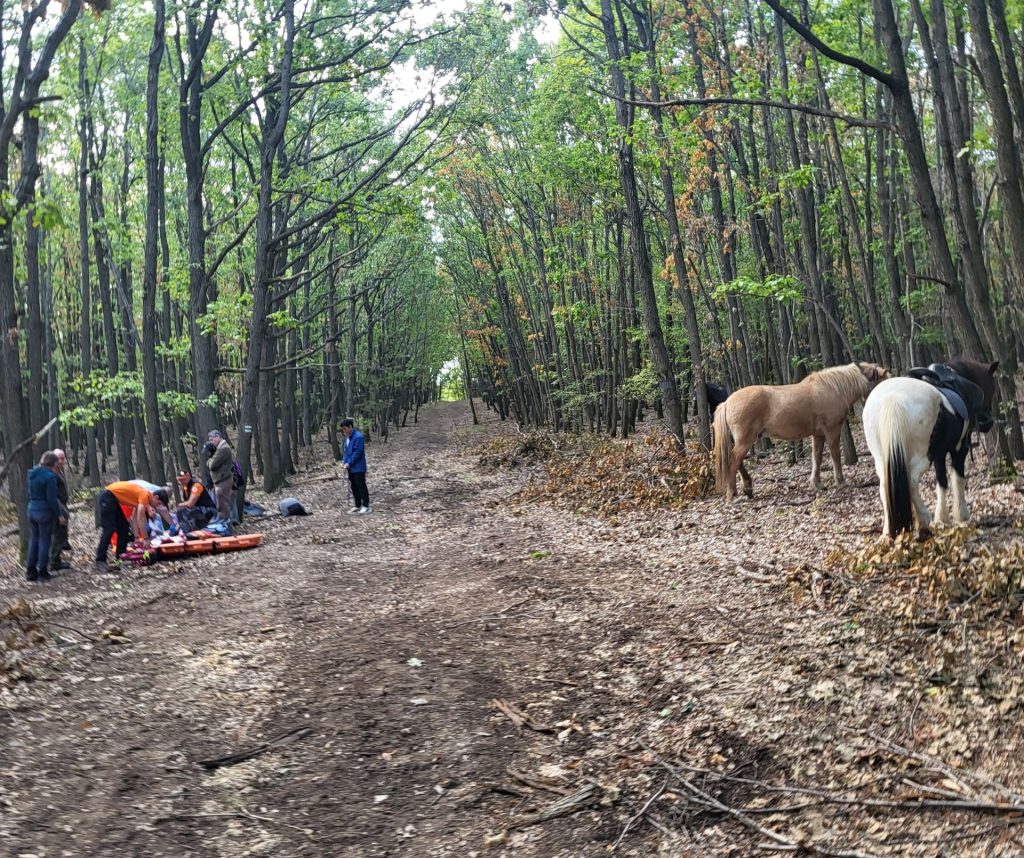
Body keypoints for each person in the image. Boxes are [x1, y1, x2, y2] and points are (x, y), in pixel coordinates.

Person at [95, 481, 170, 570]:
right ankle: (100, 560)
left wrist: (137, 537)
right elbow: (140, 519)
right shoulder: (145, 495)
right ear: (156, 497)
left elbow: (134, 518)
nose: (156, 507)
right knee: (109, 529)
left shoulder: (144, 498)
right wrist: (146, 539)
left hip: (114, 499)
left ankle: (120, 558)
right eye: (158, 504)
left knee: (124, 529)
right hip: (108, 496)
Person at [26, 451, 65, 583]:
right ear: (53, 464)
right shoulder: (50, 477)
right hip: (44, 512)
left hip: (32, 509)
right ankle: (43, 572)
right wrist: (59, 515)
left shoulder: (32, 473)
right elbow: (52, 499)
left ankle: (31, 571)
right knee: (44, 541)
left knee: (34, 540)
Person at [48, 448, 72, 571]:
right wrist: (60, 513)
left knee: (61, 534)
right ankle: (53, 561)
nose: (61, 461)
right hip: (57, 509)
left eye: (63, 458)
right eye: (59, 459)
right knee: (57, 534)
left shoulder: (59, 472)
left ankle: (56, 559)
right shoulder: (51, 474)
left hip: (62, 506)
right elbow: (53, 496)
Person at [340, 418, 371, 514]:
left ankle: (366, 505)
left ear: (350, 427)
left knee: (361, 485)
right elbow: (346, 452)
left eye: (345, 428)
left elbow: (357, 452)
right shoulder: (347, 438)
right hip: (350, 467)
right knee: (353, 486)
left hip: (358, 467)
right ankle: (357, 505)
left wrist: (349, 463)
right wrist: (344, 463)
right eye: (342, 429)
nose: (344, 431)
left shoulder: (358, 437)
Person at [205, 430, 236, 523]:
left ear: (217, 437)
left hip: (224, 479)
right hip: (219, 479)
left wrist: (210, 460)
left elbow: (212, 465)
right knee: (220, 501)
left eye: (212, 439)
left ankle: (226, 521)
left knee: (223, 502)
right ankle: (221, 519)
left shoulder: (223, 448)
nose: (211, 442)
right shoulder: (219, 448)